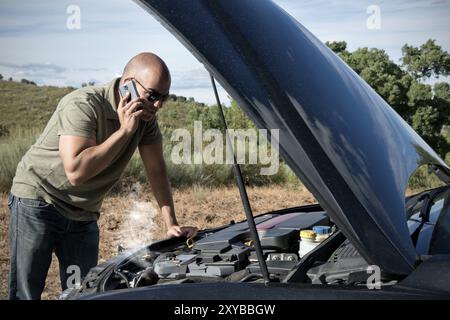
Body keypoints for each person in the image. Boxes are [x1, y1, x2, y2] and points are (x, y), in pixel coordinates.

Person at [7, 52, 197, 300]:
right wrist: (125, 131)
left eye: (164, 98)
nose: (158, 105)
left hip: (83, 213)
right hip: (39, 200)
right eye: (152, 95)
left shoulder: (146, 117)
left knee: (83, 292)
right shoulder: (83, 104)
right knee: (26, 292)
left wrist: (170, 222)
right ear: (128, 82)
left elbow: (156, 170)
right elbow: (76, 172)